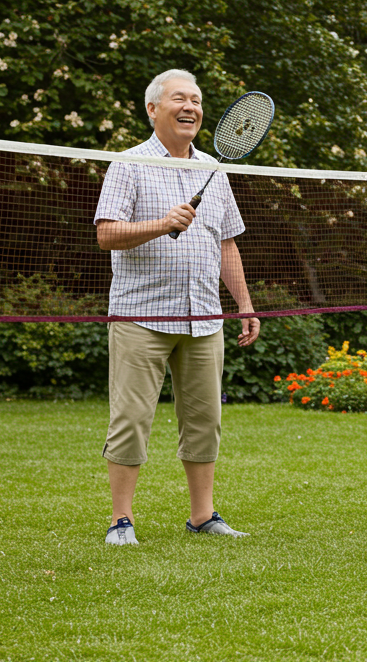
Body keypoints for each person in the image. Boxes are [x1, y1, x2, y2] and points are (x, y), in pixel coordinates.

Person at [94, 69, 260, 545]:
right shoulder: (128, 164)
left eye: (197, 100)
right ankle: (120, 520)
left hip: (205, 316)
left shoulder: (213, 167)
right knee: (130, 420)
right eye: (178, 99)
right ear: (152, 109)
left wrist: (243, 304)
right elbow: (106, 233)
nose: (190, 107)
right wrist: (161, 223)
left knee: (205, 421)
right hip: (140, 316)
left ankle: (202, 516)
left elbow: (227, 243)